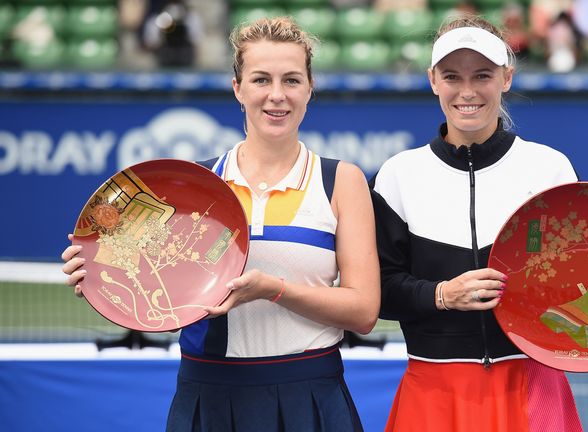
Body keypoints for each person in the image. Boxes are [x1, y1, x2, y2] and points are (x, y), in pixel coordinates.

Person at [369, 15, 588, 431]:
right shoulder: (398, 175)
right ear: (433, 80)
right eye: (452, 76)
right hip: (434, 389)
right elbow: (378, 291)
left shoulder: (549, 168)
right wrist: (442, 295)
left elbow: (586, 281)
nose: (467, 91)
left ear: (507, 77)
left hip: (534, 387)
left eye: (482, 75)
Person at [61, 17, 380, 432]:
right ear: (238, 88)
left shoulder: (340, 180)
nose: (277, 96)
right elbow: (149, 291)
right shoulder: (190, 188)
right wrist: (98, 277)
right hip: (208, 397)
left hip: (311, 397)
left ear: (310, 87)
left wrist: (275, 290)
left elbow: (364, 311)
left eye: (292, 80)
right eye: (261, 79)